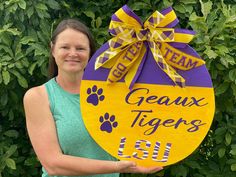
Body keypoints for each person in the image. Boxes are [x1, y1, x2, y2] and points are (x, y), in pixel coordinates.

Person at [23, 19, 163, 177]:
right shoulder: (38, 97)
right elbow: (53, 164)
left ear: (90, 53)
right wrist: (119, 166)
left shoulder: (114, 92)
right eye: (65, 47)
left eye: (80, 48)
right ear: (53, 49)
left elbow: (143, 127)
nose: (73, 53)